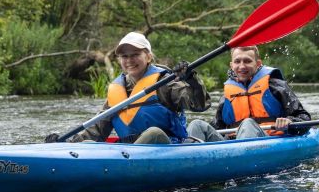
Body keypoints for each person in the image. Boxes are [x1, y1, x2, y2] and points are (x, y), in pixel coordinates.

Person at [46, 32, 211, 144]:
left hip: (167, 148)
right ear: (119, 60)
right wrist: (64, 143)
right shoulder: (117, 90)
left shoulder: (165, 83)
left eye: (135, 54)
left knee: (153, 132)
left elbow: (199, 105)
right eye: (124, 56)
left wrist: (191, 79)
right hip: (129, 151)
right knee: (88, 143)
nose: (129, 60)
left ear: (148, 56)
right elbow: (96, 130)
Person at [187, 45, 311, 141]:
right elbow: (217, 128)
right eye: (237, 61)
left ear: (258, 64)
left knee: (247, 123)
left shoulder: (276, 86)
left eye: (247, 61)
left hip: (270, 141)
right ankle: (187, 161)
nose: (242, 66)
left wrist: (290, 121)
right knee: (196, 125)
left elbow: (303, 118)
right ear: (231, 65)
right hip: (232, 145)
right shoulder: (227, 95)